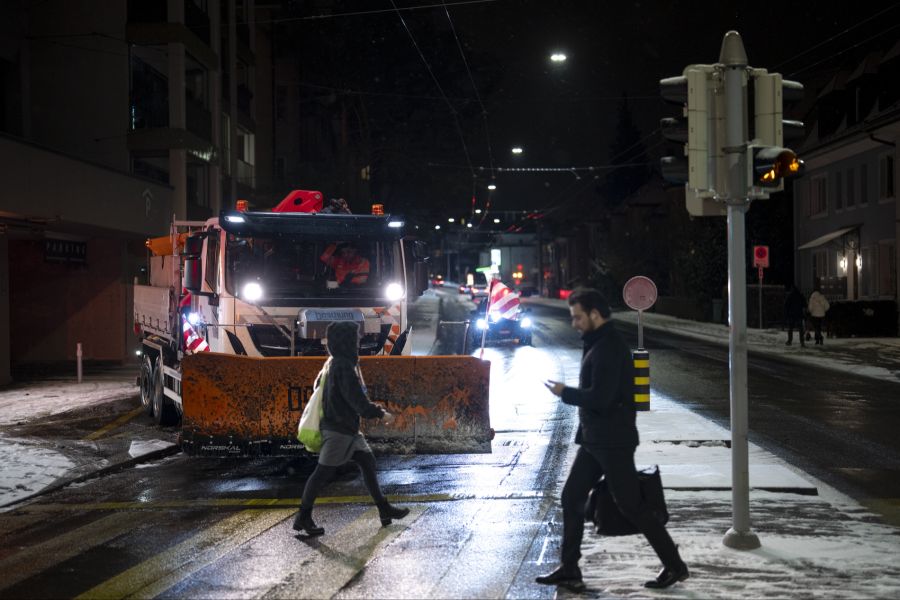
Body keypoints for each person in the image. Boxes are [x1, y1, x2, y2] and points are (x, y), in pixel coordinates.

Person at [539, 288, 689, 591]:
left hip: (613, 441)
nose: (575, 323)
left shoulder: (608, 347)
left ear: (595, 314)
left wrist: (564, 392)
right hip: (597, 441)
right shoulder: (598, 342)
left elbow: (602, 398)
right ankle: (570, 569)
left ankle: (675, 565)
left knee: (632, 506)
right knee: (572, 498)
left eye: (578, 317)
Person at [293, 320, 409, 536]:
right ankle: (303, 516)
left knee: (367, 462)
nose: (358, 341)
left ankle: (384, 509)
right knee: (322, 473)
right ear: (346, 341)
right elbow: (357, 401)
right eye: (355, 338)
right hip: (338, 430)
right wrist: (380, 413)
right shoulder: (343, 367)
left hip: (348, 429)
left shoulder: (334, 363)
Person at [784, 283, 806, 347]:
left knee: (790, 328)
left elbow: (786, 305)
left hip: (792, 315)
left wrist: (787, 313)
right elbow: (805, 304)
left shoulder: (790, 296)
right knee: (800, 329)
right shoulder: (800, 295)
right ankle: (802, 342)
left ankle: (789, 341)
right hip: (799, 314)